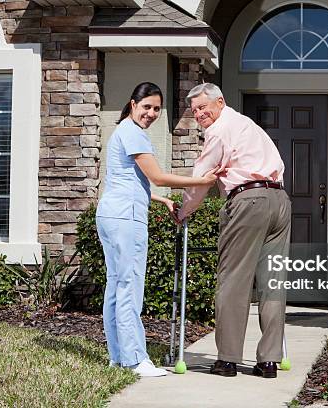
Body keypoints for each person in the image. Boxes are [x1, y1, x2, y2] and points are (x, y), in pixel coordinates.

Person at [96, 82, 217, 377]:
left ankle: (118, 355)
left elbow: (129, 181)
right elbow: (158, 177)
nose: (151, 113)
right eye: (146, 106)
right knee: (129, 286)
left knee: (117, 286)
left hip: (112, 214)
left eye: (156, 109)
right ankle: (136, 360)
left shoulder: (122, 132)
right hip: (126, 218)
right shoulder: (133, 133)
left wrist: (161, 199)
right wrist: (201, 182)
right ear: (133, 103)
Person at [178, 83, 291, 378]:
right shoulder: (247, 124)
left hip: (248, 201)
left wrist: (184, 210)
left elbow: (201, 178)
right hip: (279, 200)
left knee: (233, 280)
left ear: (220, 102)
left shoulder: (218, 131)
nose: (199, 114)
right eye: (195, 111)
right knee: (273, 283)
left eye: (203, 107)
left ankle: (227, 360)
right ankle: (269, 362)